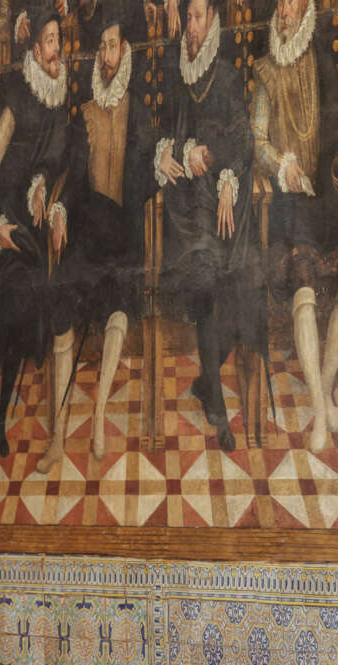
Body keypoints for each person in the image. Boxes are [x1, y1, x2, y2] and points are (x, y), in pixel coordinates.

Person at [0, 8, 80, 464]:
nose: (57, 50)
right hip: (0, 226)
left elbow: (55, 164)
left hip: (27, 231)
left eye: (58, 41)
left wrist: (43, 194)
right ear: (36, 50)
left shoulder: (60, 98)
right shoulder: (19, 95)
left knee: (19, 305)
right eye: (50, 42)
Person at [43, 9, 156, 469]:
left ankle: (98, 416)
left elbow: (150, 173)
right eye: (102, 47)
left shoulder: (140, 111)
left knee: (118, 304)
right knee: (61, 300)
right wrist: (59, 208)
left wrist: (164, 164)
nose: (107, 56)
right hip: (88, 230)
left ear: (125, 51)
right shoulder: (83, 112)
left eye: (114, 46)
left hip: (125, 233)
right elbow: (70, 177)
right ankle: (57, 431)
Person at [154, 0, 264, 452]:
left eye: (198, 18)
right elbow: (163, 134)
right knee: (203, 279)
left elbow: (243, 141)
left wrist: (220, 169)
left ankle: (205, 381)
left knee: (242, 283)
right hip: (184, 207)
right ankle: (217, 407)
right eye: (189, 19)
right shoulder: (178, 78)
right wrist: (171, 153)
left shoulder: (226, 75)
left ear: (214, 22)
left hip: (223, 203)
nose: (191, 28)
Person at [251, 0, 338, 452]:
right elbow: (258, 138)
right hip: (289, 199)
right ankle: (322, 414)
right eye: (280, 1)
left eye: (294, 0)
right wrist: (280, 163)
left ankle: (323, 389)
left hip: (328, 193)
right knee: (303, 288)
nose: (286, 8)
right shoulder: (266, 69)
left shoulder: (326, 59)